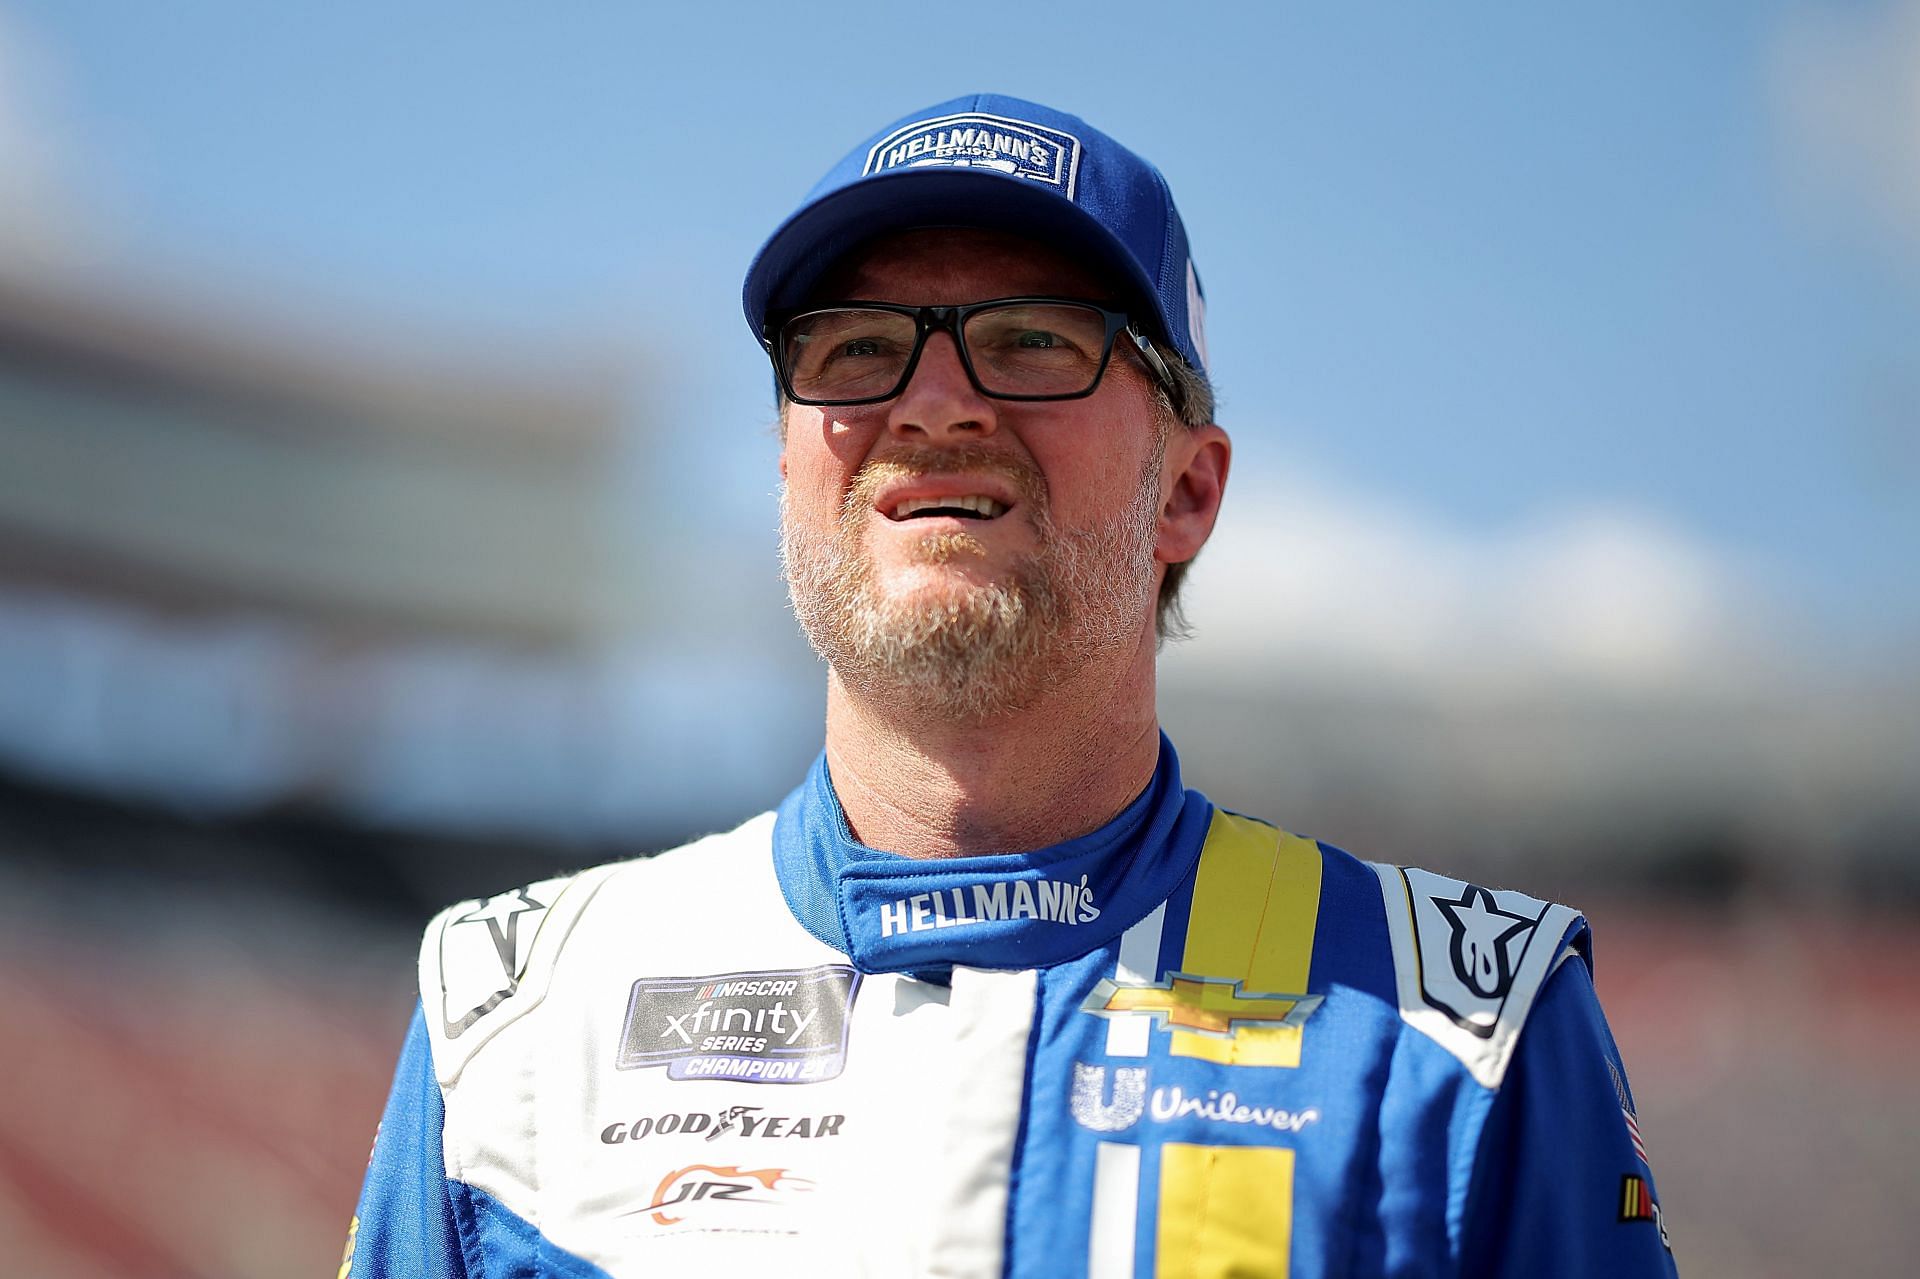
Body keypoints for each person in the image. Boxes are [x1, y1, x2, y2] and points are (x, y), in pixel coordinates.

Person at [342, 93, 1677, 1278]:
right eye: (854, 349)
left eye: (1034, 341)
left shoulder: (1468, 1033)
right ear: (787, 467)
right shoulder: (506, 1018)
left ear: (1190, 491)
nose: (932, 403)